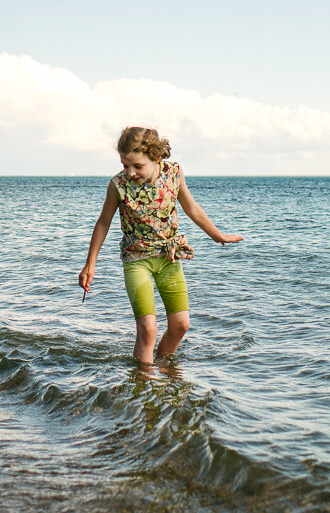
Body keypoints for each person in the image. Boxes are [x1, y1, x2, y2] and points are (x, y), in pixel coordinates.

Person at [79, 127, 242, 364]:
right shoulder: (118, 185)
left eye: (137, 166)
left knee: (181, 325)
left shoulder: (174, 173)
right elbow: (103, 222)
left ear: (156, 157)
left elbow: (191, 208)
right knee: (148, 330)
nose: (131, 172)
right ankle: (143, 385)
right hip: (137, 262)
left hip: (169, 258)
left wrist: (217, 235)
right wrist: (90, 264)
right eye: (126, 165)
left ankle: (166, 372)